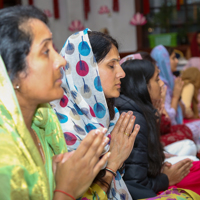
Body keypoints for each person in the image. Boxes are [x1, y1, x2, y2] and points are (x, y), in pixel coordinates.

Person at [0, 5, 115, 200]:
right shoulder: (4, 155)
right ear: (11, 72)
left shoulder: (44, 124)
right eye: (46, 51)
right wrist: (65, 191)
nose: (61, 61)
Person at [50, 29, 148, 200]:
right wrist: (112, 165)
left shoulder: (108, 116)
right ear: (85, 71)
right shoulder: (63, 126)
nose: (122, 73)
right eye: (112, 65)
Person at [115, 56, 200, 198]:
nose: (162, 84)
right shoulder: (134, 119)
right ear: (142, 84)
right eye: (156, 79)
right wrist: (165, 179)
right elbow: (135, 185)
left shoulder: (139, 110)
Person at [151, 45, 200, 153]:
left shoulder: (172, 80)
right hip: (166, 130)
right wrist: (176, 96)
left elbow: (183, 111)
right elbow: (167, 120)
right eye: (173, 58)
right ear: (164, 61)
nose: (177, 61)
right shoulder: (159, 84)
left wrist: (178, 97)